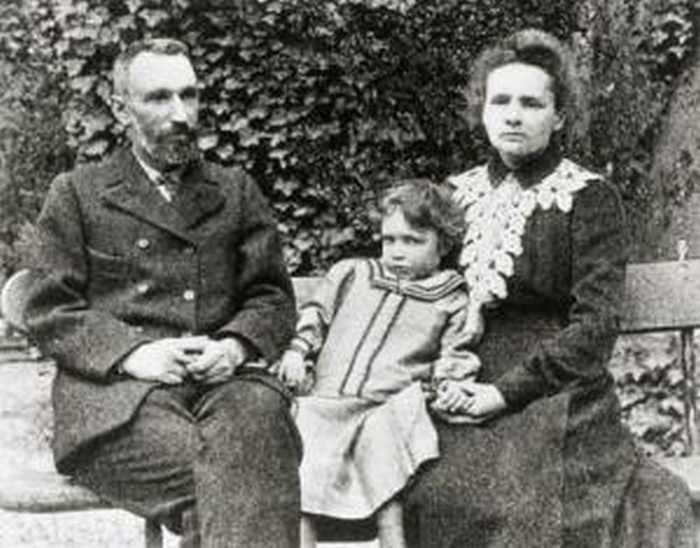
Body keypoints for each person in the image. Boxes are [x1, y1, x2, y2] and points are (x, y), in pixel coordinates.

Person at [402, 29, 696, 547]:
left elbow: (595, 324)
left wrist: (502, 394)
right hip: (457, 378)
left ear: (559, 116)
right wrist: (435, 372)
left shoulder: (587, 198)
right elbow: (416, 296)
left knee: (513, 504)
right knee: (434, 489)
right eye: (501, 101)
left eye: (532, 103)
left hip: (554, 389)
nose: (513, 115)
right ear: (482, 111)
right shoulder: (453, 196)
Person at [23, 38, 301, 547]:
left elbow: (272, 297)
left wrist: (234, 346)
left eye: (189, 95)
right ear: (120, 108)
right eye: (158, 98)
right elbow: (48, 308)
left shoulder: (234, 190)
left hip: (226, 387)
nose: (180, 115)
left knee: (254, 435)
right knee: (242, 483)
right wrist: (135, 354)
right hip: (116, 404)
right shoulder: (79, 193)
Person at [276, 179, 483, 548]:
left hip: (391, 404)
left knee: (385, 448)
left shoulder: (450, 298)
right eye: (390, 240)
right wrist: (297, 350)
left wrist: (451, 383)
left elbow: (456, 351)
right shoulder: (354, 274)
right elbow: (316, 314)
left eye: (413, 241)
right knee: (306, 442)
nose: (397, 252)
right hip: (329, 399)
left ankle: (392, 541)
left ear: (443, 245)